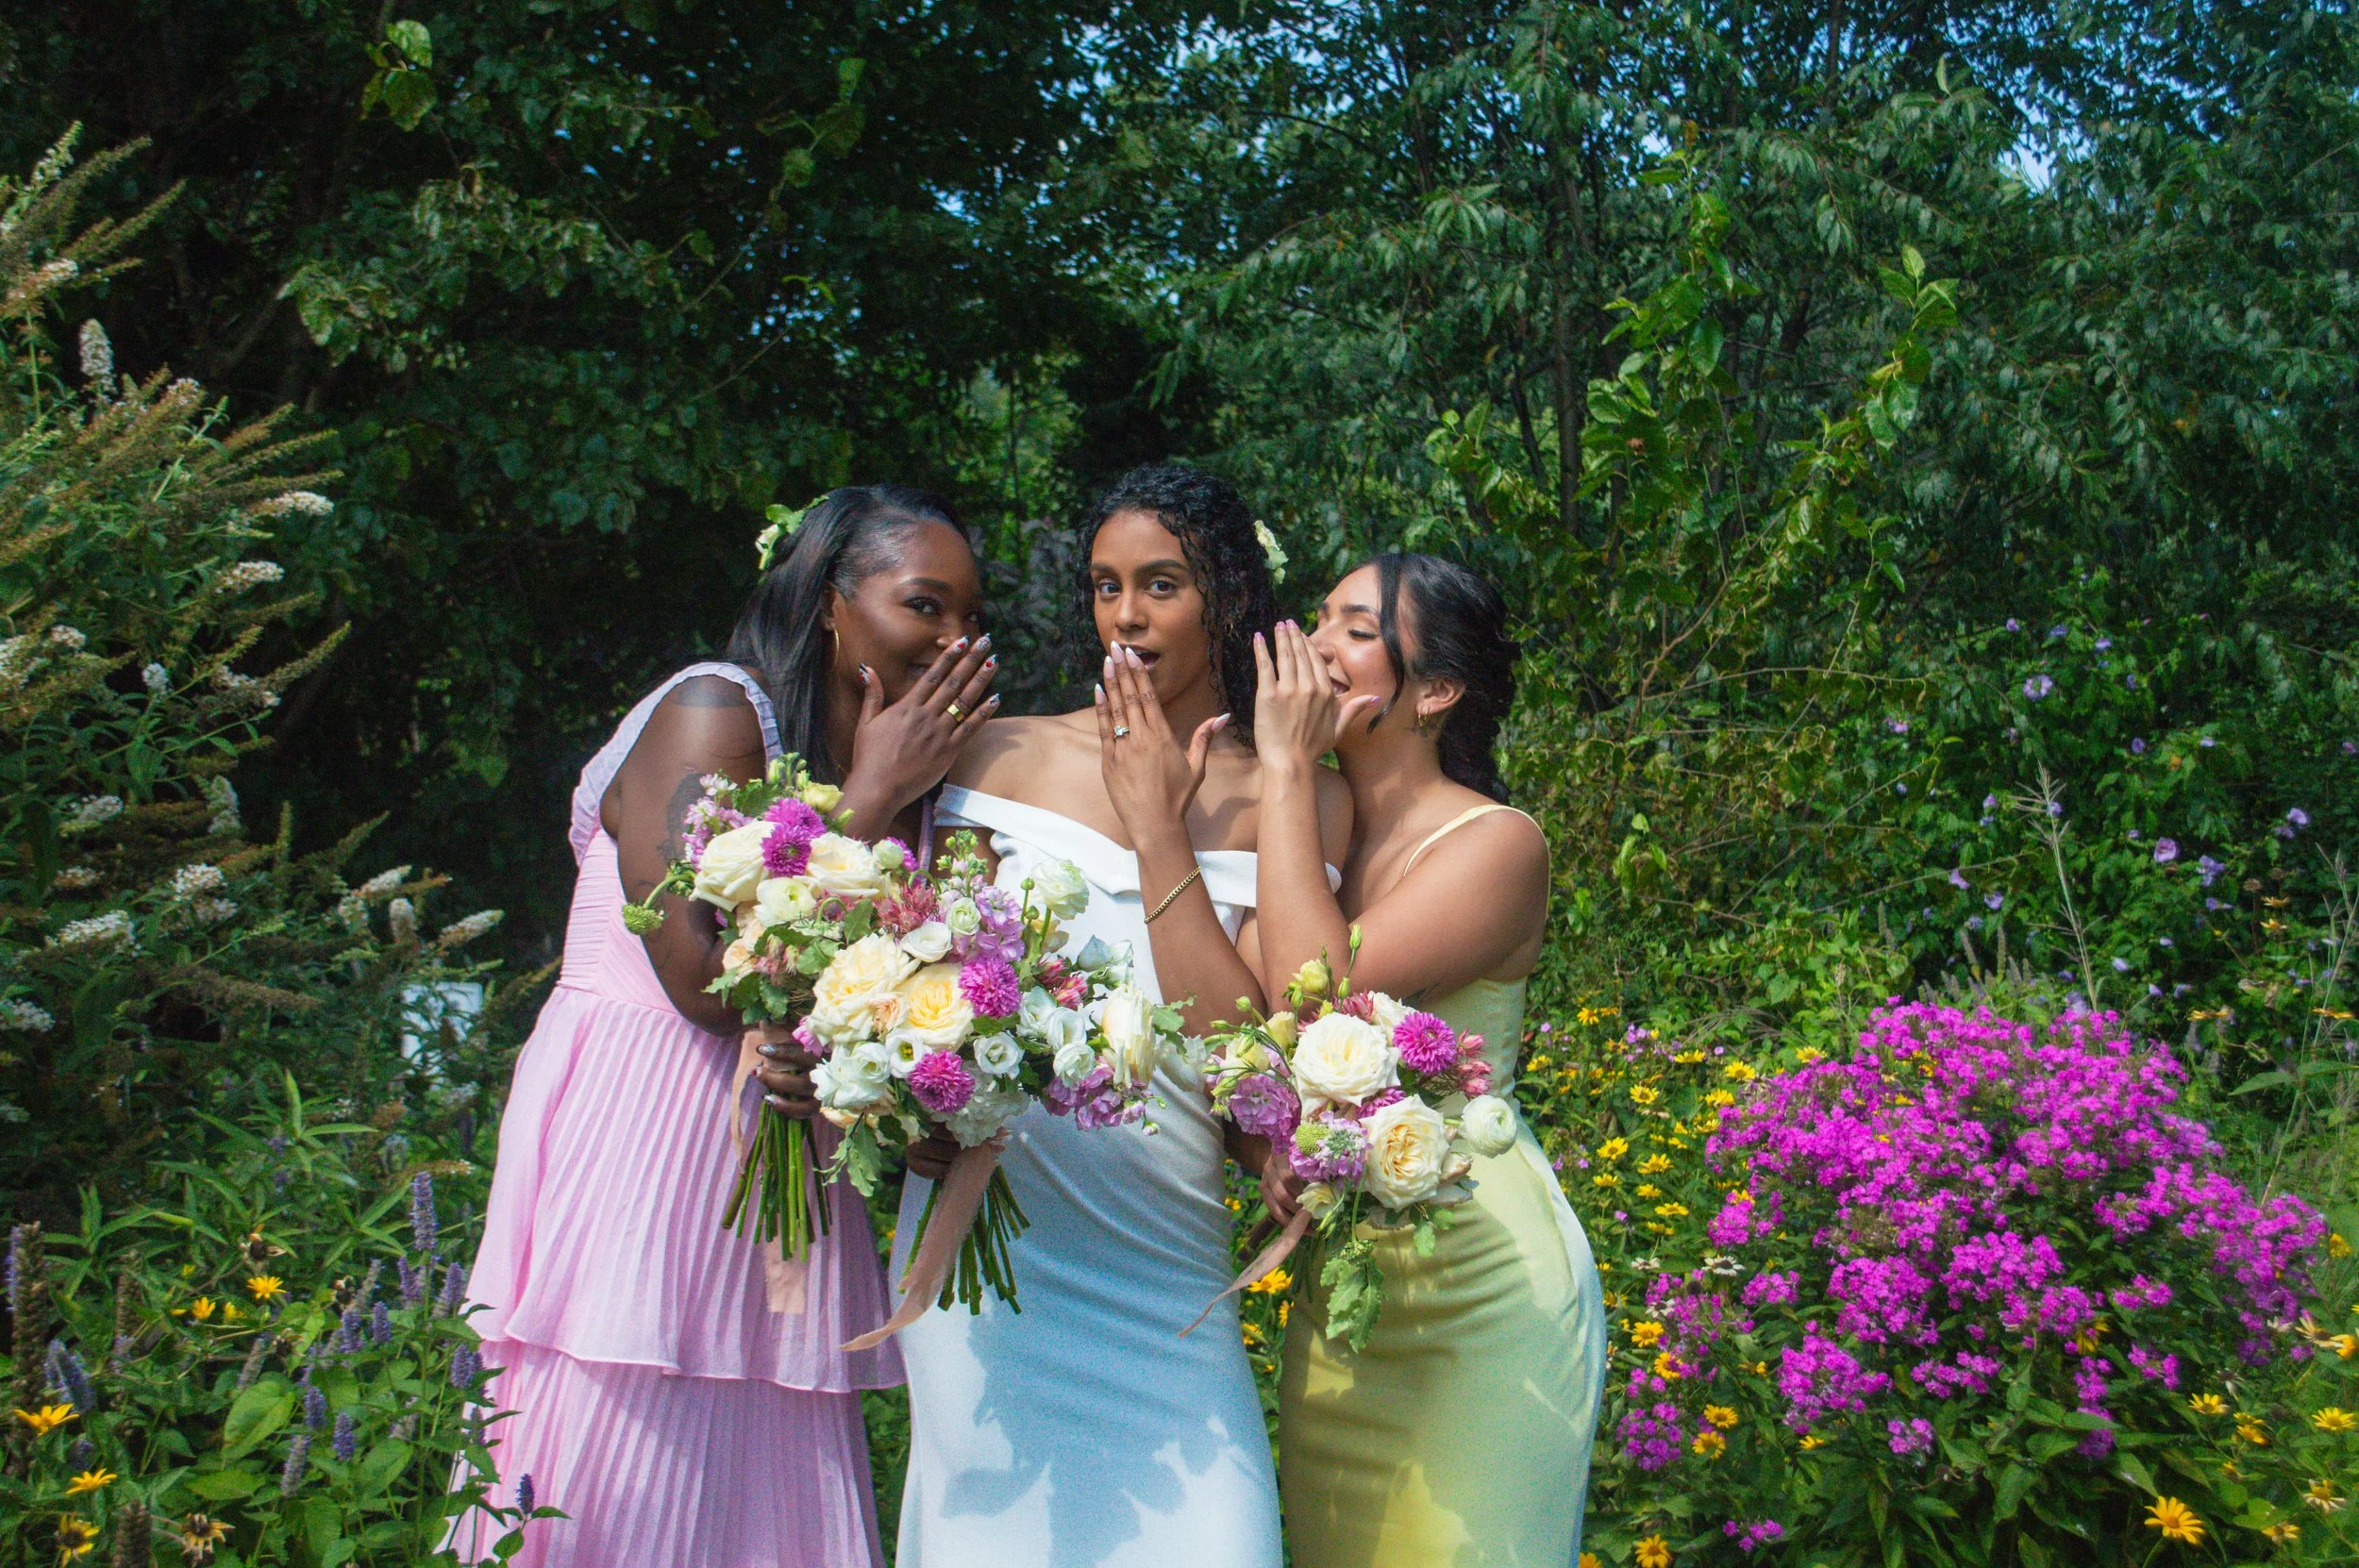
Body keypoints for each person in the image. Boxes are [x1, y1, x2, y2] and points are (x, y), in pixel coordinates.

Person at [454, 485, 998, 1567]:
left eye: (970, 617)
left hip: (788, 1172)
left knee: (764, 1507)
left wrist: (921, 1093)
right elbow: (701, 977)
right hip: (645, 1150)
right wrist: (877, 794)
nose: (954, 640)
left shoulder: (915, 785)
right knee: (607, 1485)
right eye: (924, 605)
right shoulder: (715, 709)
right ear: (832, 602)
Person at [884, 464, 1350, 1568]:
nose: (1127, 617)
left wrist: (1160, 831)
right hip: (998, 1249)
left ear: (1227, 597)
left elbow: (1255, 1058)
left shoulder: (1301, 793)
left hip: (1164, 1256)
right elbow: (927, 970)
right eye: (1105, 586)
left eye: (1161, 585)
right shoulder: (1003, 752)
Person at [1249, 553, 1607, 1567]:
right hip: (1346, 1298)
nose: (1313, 647)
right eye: (1316, 618)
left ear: (1435, 689)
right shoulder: (1304, 830)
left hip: (1484, 1297)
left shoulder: (1498, 845)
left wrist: (1281, 769)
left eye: (1353, 629)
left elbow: (1303, 997)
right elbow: (1235, 1021)